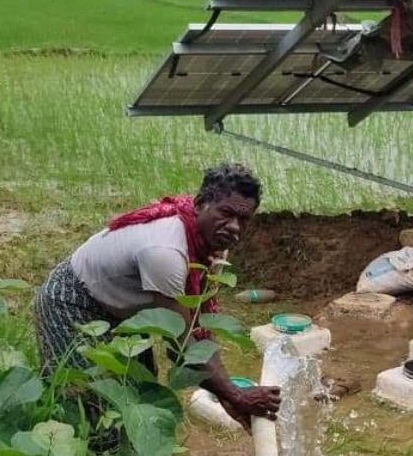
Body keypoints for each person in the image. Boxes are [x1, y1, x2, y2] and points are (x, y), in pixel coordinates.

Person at [34, 162, 280, 433]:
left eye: (244, 220)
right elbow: (182, 342)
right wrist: (235, 394)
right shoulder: (166, 251)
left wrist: (226, 393)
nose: (234, 227)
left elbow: (198, 325)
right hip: (74, 300)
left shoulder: (211, 244)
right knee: (90, 406)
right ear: (200, 204)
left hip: (129, 311)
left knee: (141, 398)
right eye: (226, 213)